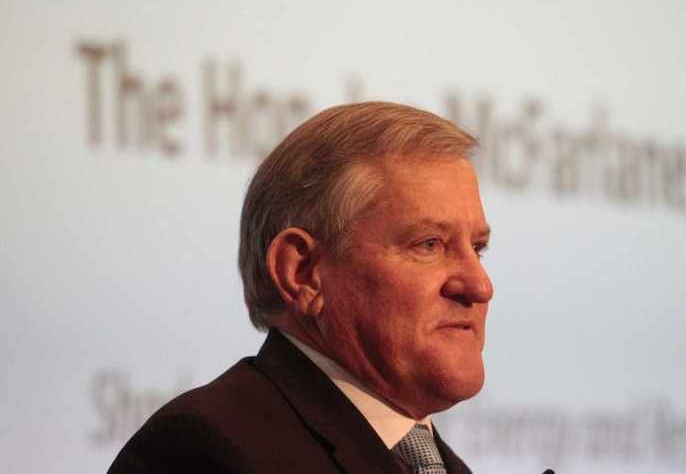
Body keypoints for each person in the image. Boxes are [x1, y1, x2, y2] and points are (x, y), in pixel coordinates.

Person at [108, 101, 494, 473]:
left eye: (477, 248)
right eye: (429, 244)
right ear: (303, 273)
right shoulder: (206, 451)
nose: (479, 285)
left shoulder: (442, 465)